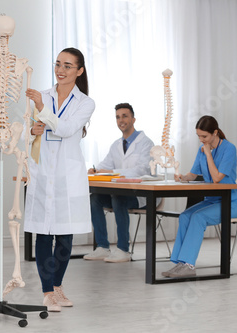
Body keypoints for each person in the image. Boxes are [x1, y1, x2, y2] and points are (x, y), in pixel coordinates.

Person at [24, 47, 95, 312]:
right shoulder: (40, 95)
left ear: (79, 71)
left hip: (68, 175)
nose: (60, 70)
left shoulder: (85, 103)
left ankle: (57, 286)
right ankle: (47, 292)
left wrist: (42, 109)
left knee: (65, 238)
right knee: (43, 234)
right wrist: (31, 129)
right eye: (57, 64)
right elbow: (21, 134)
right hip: (42, 173)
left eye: (67, 66)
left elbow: (66, 129)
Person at [162, 115, 237, 277]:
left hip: (231, 203)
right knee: (185, 216)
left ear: (215, 132)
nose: (201, 140)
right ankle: (180, 263)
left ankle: (189, 265)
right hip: (212, 201)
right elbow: (193, 174)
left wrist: (208, 154)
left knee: (198, 217)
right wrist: (183, 177)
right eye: (199, 136)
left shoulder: (229, 149)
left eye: (204, 136)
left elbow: (217, 178)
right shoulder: (202, 150)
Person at [83, 103, 154, 263]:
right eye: (117, 117)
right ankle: (102, 247)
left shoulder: (146, 143)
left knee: (118, 197)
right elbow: (105, 165)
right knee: (95, 198)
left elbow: (141, 170)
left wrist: (113, 173)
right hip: (122, 193)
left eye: (125, 116)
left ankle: (123, 250)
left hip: (141, 195)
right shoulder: (116, 145)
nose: (121, 120)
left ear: (133, 119)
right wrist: (95, 170)